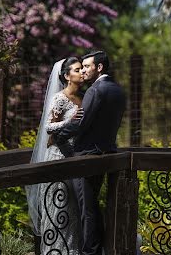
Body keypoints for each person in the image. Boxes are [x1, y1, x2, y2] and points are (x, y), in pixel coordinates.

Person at [53, 50, 126, 255]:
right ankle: (102, 248)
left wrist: (60, 134)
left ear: (99, 67)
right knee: (93, 203)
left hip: (86, 155)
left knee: (87, 209)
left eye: (87, 66)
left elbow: (81, 122)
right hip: (106, 153)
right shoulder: (118, 90)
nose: (84, 71)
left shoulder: (96, 90)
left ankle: (90, 252)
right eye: (82, 67)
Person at [26, 57, 85, 255]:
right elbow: (49, 127)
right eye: (77, 70)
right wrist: (70, 122)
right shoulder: (59, 98)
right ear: (67, 76)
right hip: (58, 157)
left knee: (72, 211)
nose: (82, 72)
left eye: (82, 69)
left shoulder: (83, 97)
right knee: (58, 208)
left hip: (74, 158)